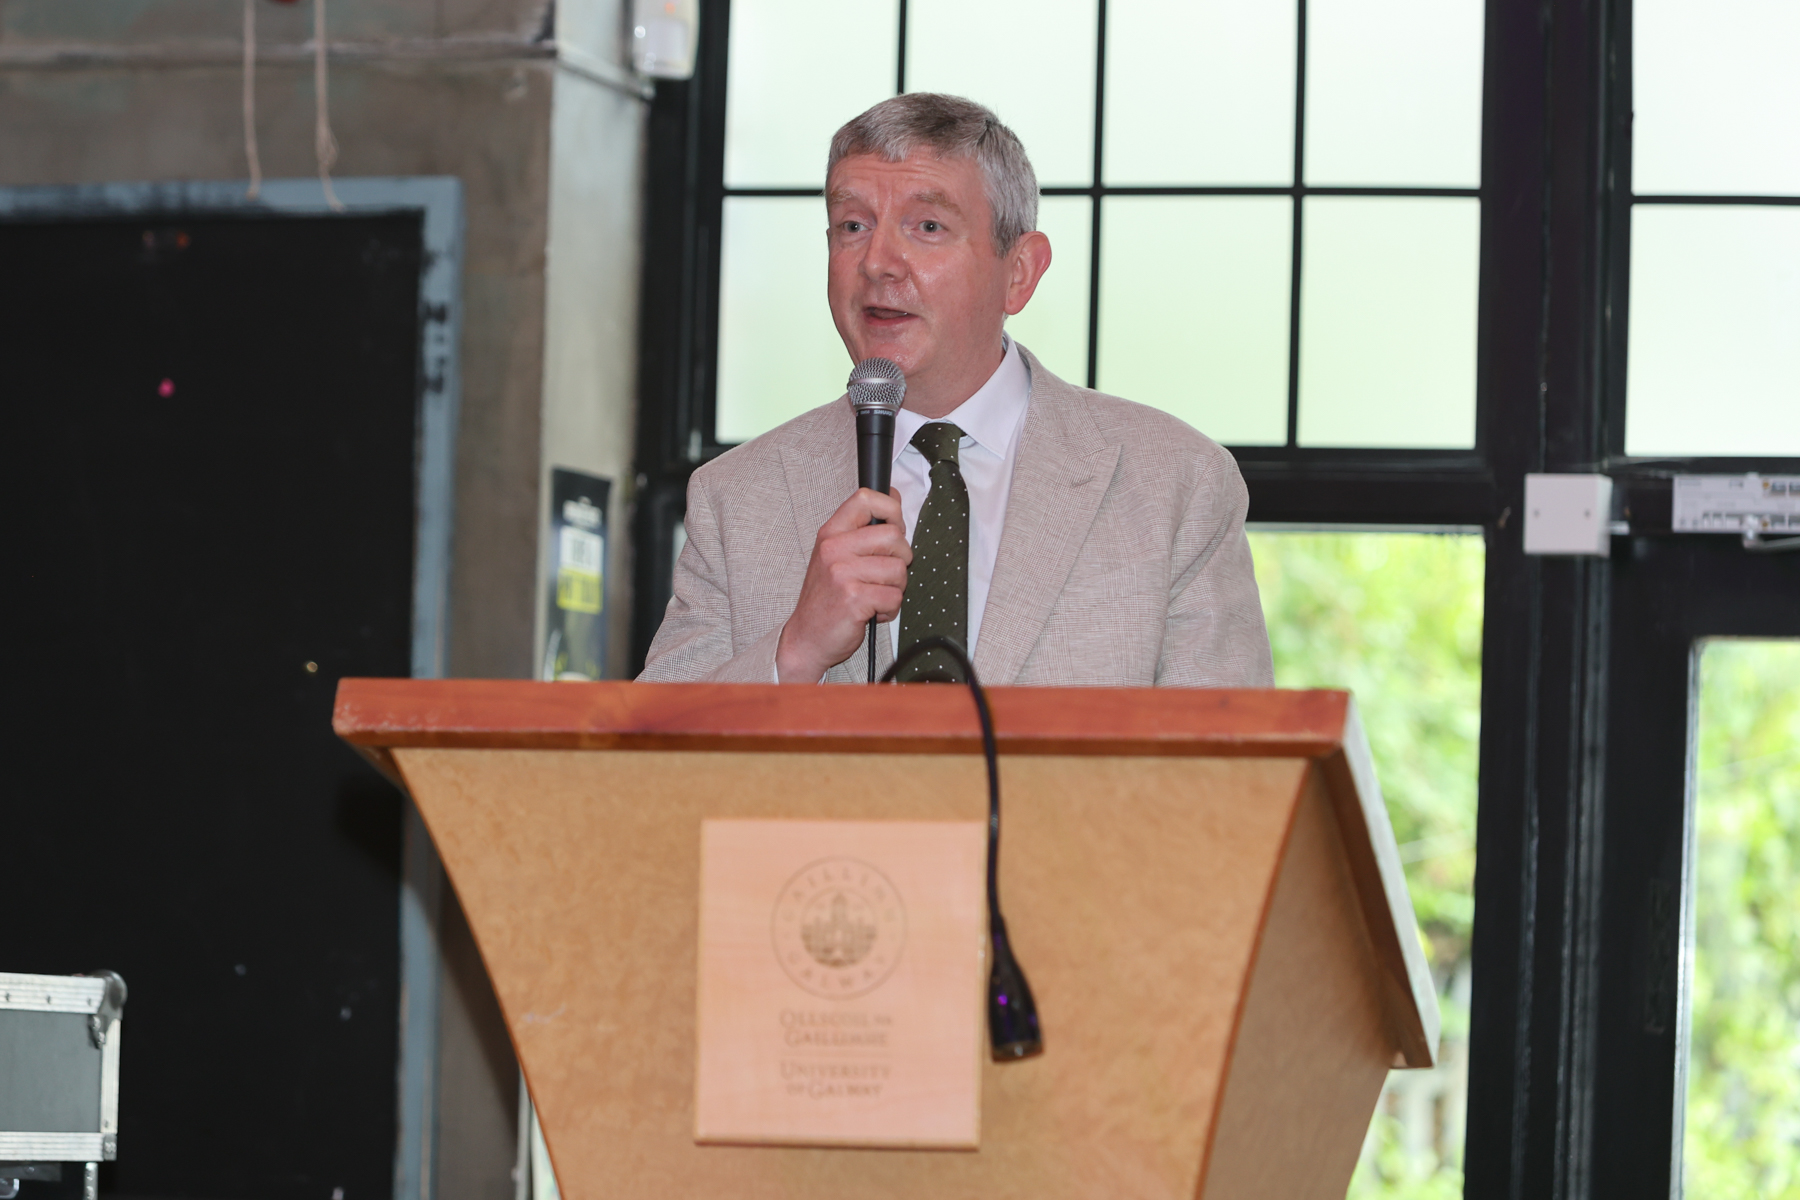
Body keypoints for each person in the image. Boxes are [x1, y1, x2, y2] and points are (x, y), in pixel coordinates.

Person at [639, 93, 1272, 687]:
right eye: (852, 225)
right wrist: (796, 650)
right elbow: (645, 770)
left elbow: (1230, 776)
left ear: (1019, 274)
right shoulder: (737, 498)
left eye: (928, 227)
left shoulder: (1175, 484)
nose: (878, 263)